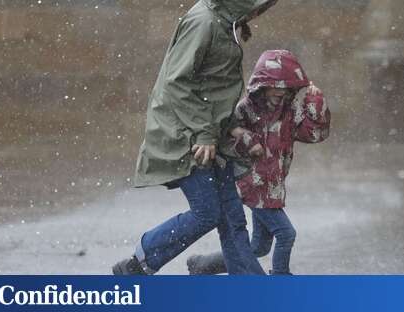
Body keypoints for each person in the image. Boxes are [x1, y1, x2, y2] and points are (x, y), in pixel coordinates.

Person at [112, 0, 279, 275]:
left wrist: (230, 126)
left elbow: (213, 85)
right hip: (186, 136)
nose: (259, 12)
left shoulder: (226, 22)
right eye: (258, 5)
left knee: (232, 218)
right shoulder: (204, 22)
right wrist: (204, 132)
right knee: (208, 213)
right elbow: (178, 83)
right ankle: (138, 264)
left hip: (209, 135)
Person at [186, 50, 331, 275]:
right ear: (263, 85)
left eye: (286, 90)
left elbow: (313, 135)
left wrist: (315, 104)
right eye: (276, 87)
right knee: (286, 234)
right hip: (251, 183)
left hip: (273, 187)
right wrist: (249, 140)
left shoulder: (289, 112)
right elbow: (225, 131)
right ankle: (280, 277)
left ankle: (203, 265)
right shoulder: (246, 108)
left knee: (259, 247)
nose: (281, 94)